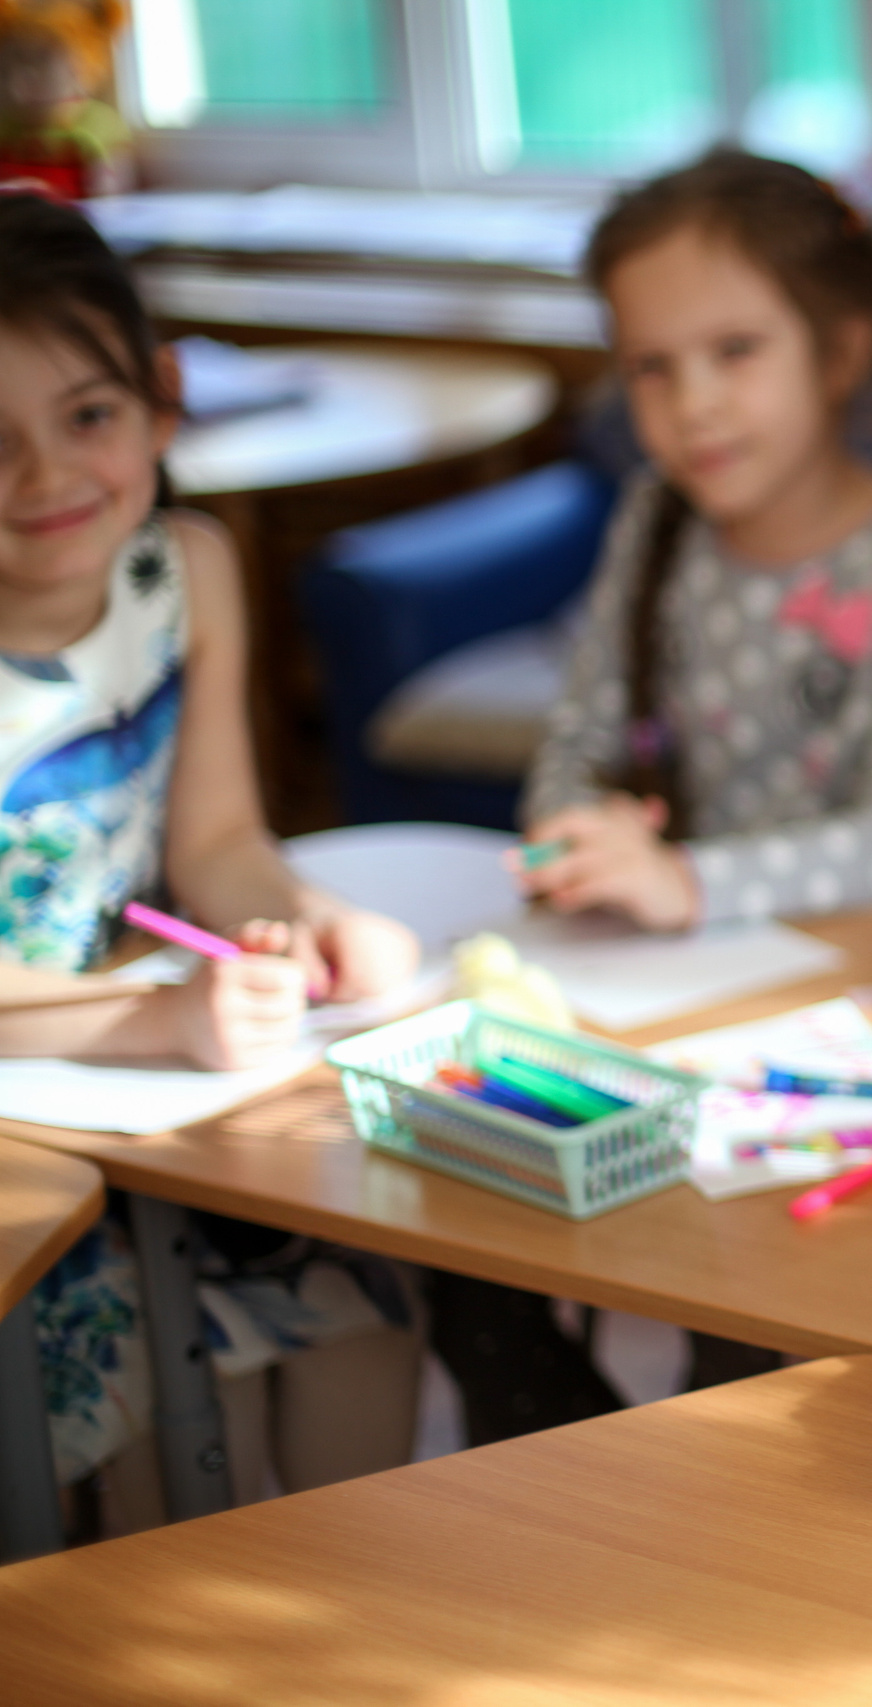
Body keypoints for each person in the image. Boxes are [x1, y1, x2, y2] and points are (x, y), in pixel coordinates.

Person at [0, 187, 423, 1509]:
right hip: (36, 1143)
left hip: (146, 1097)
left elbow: (220, 839)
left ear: (161, 405)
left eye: (88, 416)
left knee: (363, 1303)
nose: (45, 477)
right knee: (184, 1406)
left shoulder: (186, 569)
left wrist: (301, 916)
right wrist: (153, 1020)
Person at [516, 148, 872, 933]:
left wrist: (689, 884)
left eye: (735, 350)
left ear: (840, 353)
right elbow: (580, 742)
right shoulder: (652, 516)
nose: (694, 404)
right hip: (700, 963)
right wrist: (578, 835)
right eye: (651, 366)